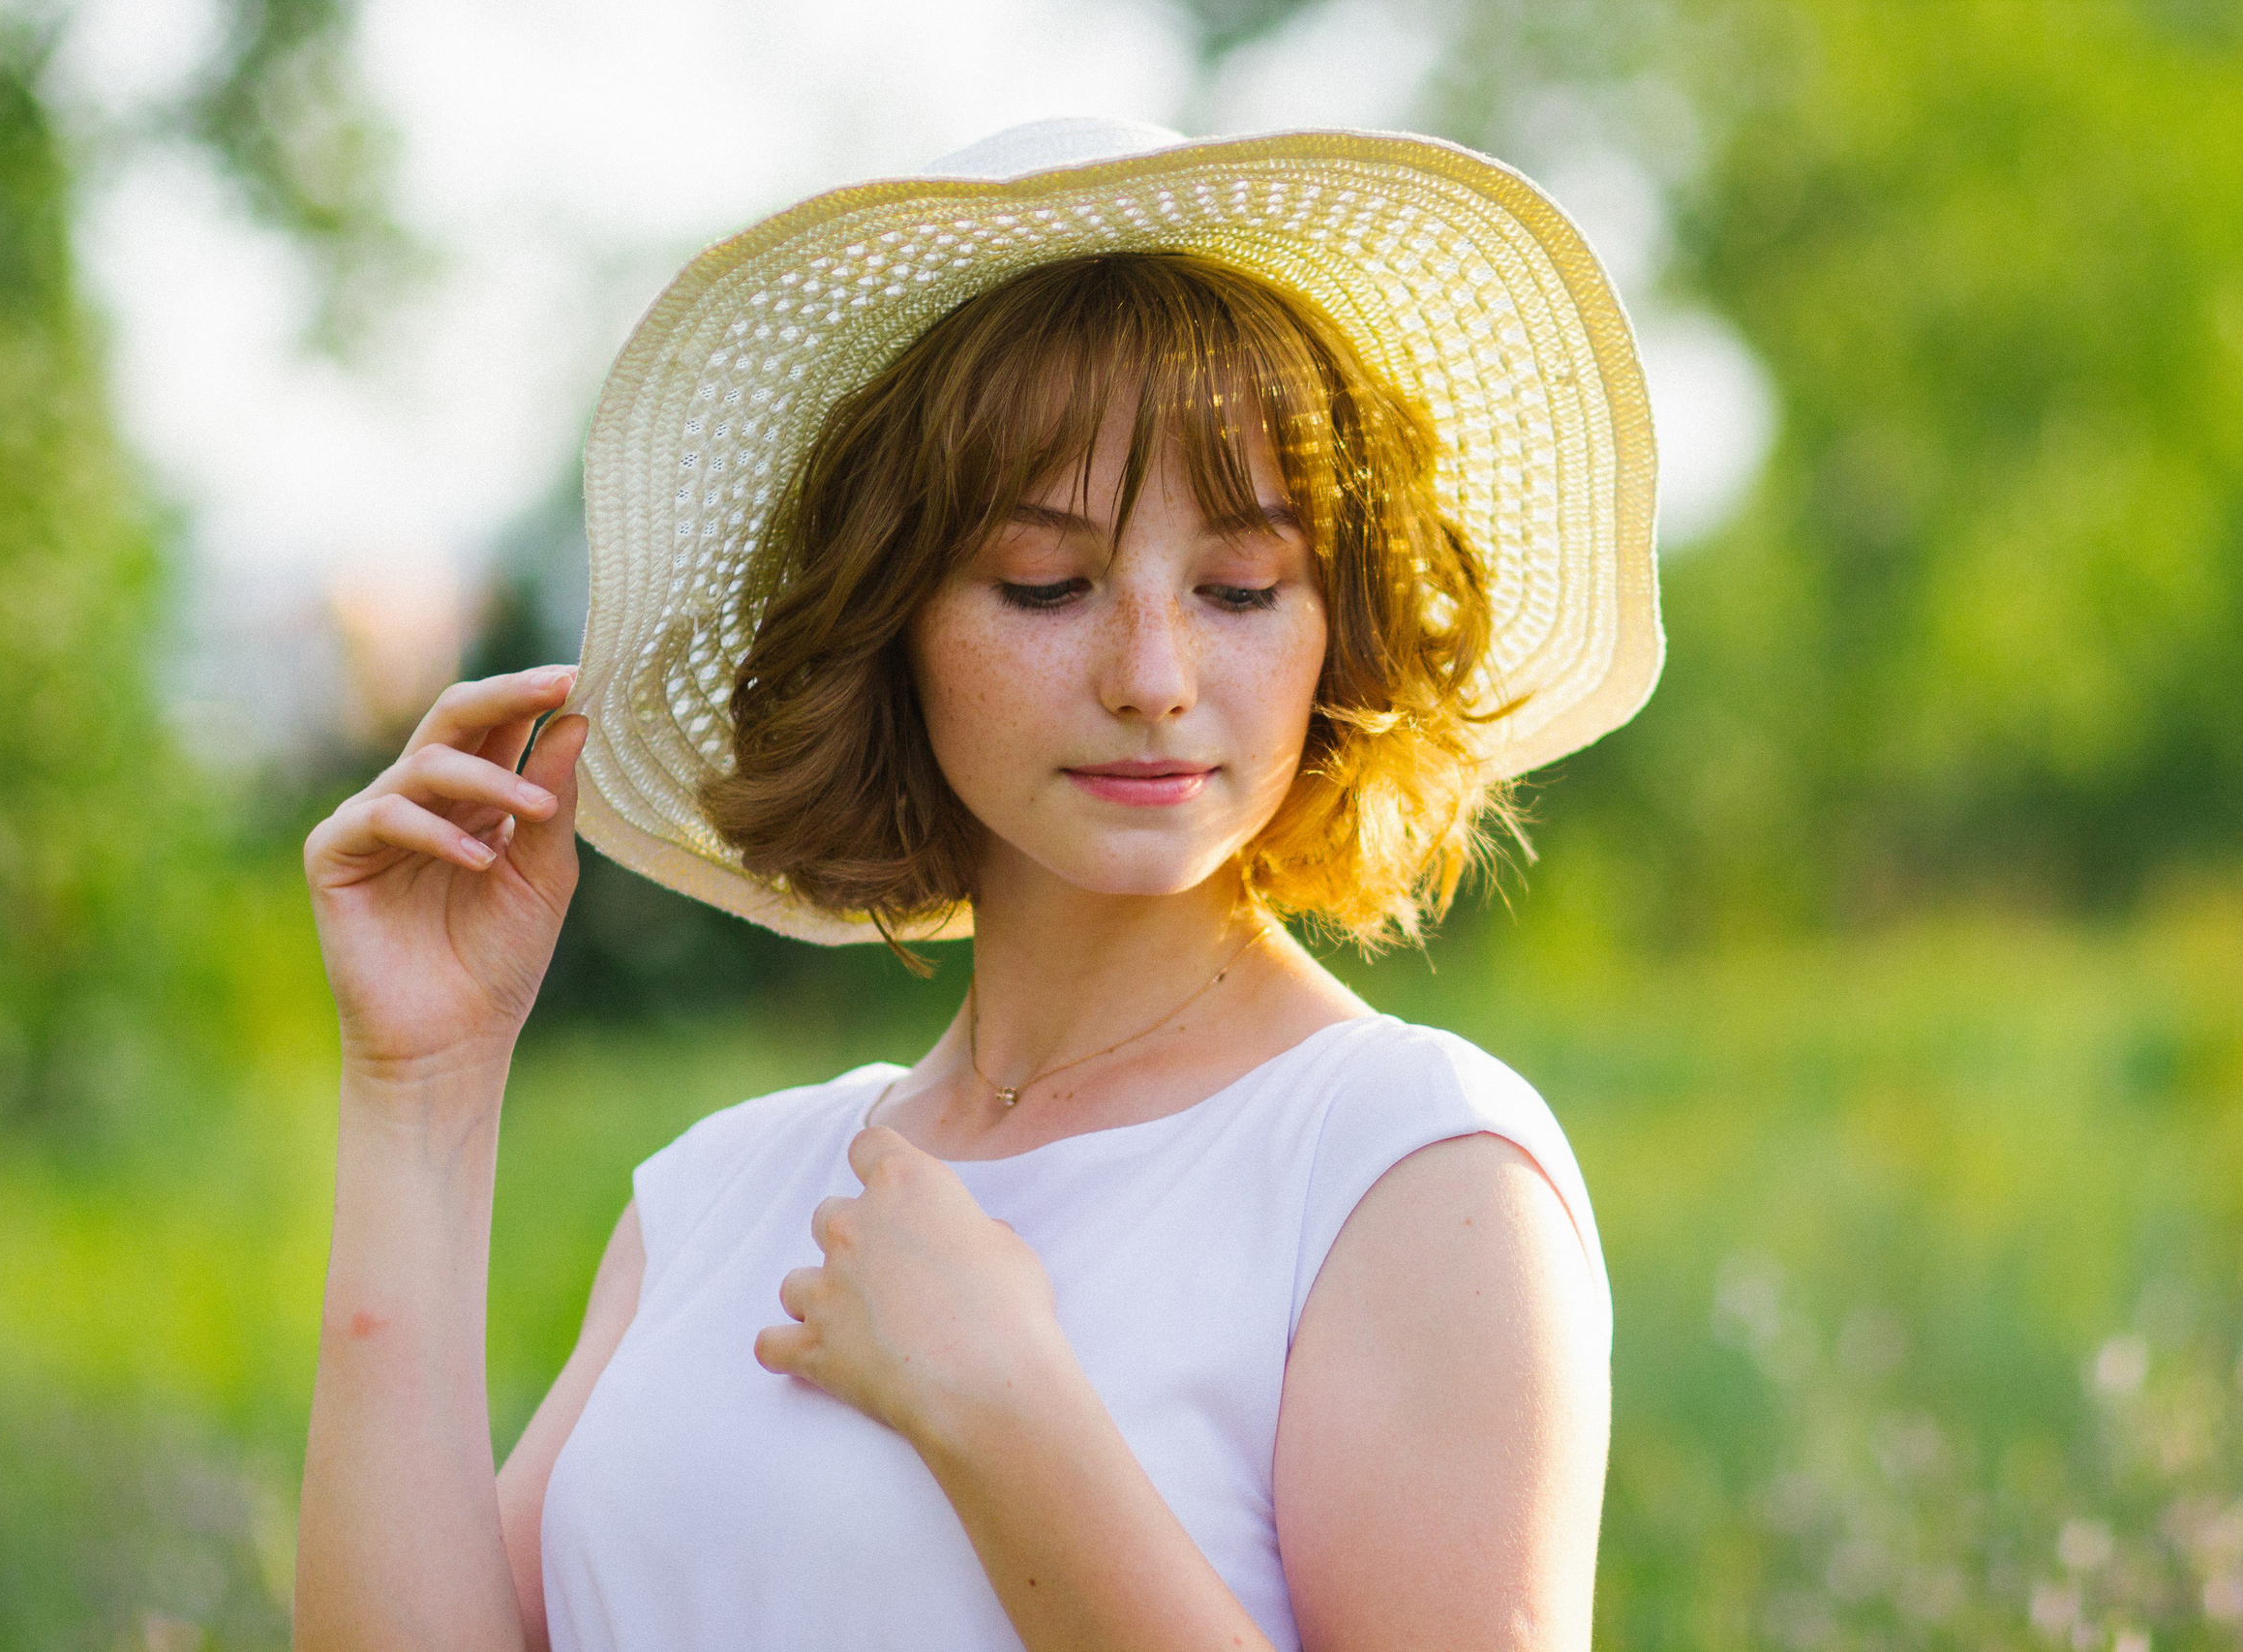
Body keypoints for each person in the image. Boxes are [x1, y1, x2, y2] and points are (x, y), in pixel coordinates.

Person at [294, 118, 1659, 1652]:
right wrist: (422, 1085)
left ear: (1332, 626)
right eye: (1045, 585)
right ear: (893, 622)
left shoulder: (1411, 1174)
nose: (1154, 677)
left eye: (1239, 589)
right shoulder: (719, 1199)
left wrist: (1009, 1416)